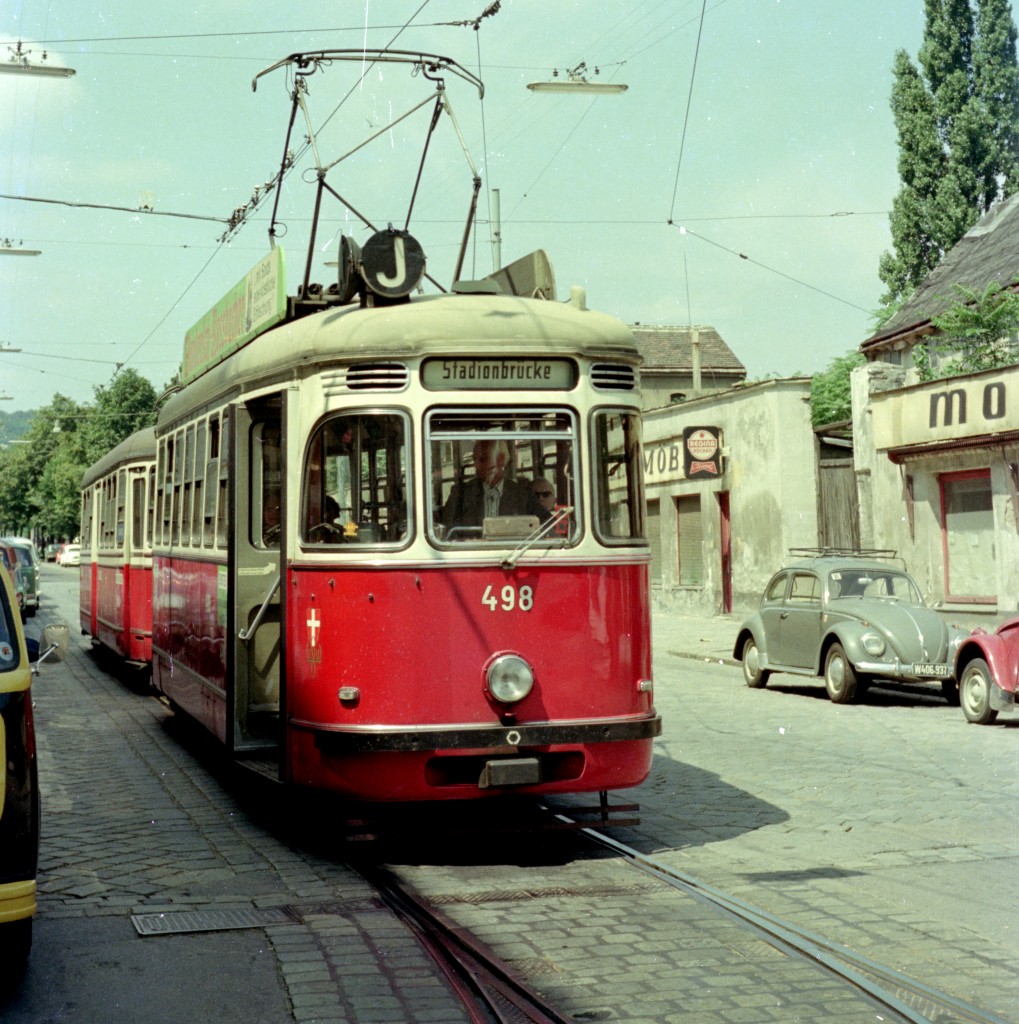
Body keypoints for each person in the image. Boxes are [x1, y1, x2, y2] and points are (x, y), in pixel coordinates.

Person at [441, 439, 533, 530]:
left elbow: (543, 526)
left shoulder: (523, 493)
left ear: (500, 460)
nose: (476, 465)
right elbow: (447, 530)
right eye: (474, 459)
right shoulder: (460, 493)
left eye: (483, 459)